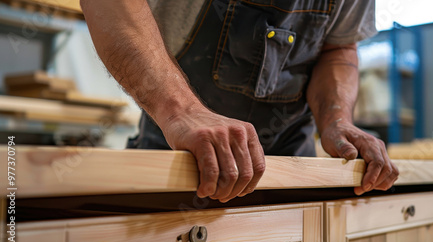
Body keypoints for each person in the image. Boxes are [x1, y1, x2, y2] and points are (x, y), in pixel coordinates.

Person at [81, 0, 399, 203]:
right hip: (178, 170)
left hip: (292, 181)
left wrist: (336, 118)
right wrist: (181, 111)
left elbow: (338, 47)